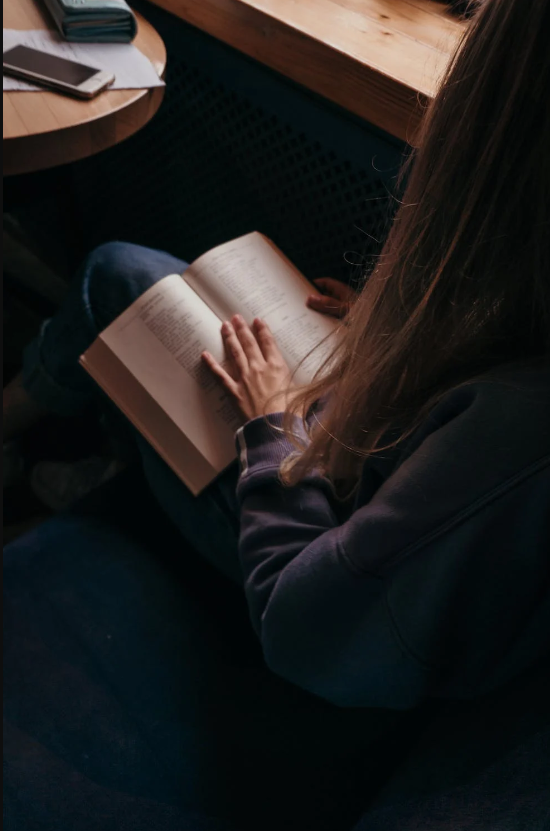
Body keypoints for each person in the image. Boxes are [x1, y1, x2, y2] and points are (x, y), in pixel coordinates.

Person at [3, 0, 549, 707]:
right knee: (154, 292)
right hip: (344, 453)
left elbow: (303, 621)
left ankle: (24, 426)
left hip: (296, 513)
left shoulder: (517, 435)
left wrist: (273, 421)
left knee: (116, 277)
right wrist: (391, 339)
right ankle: (106, 455)